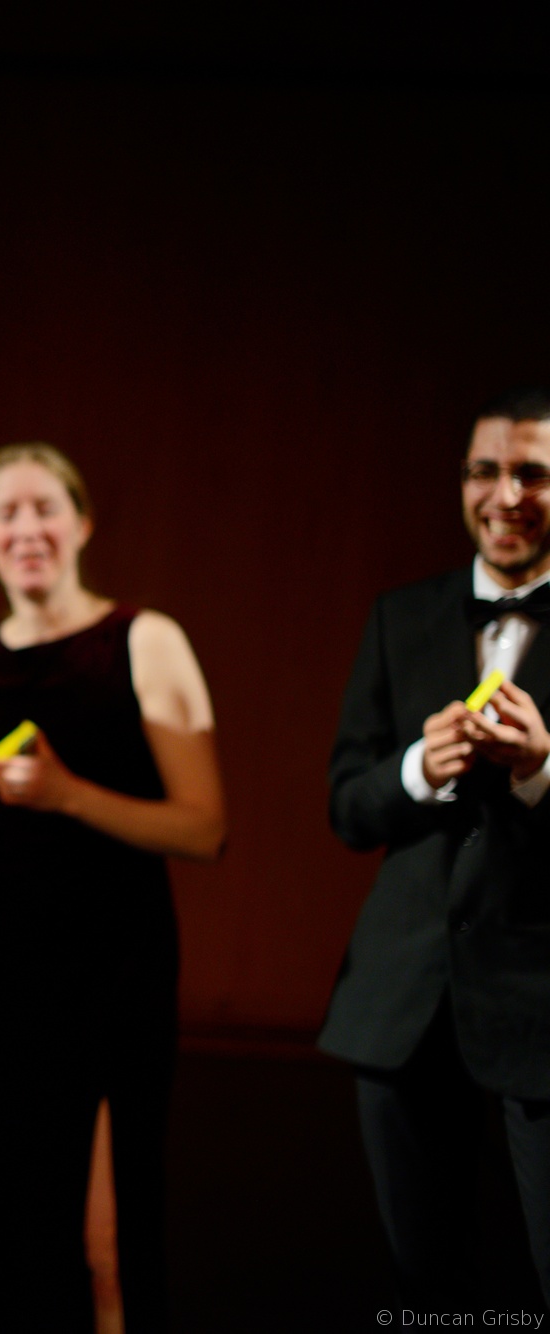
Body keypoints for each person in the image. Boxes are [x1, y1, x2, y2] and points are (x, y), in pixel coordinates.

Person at [0, 442, 224, 1334]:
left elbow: (205, 828)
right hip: (4, 967)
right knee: (12, 1223)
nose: (26, 528)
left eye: (44, 507)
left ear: (81, 523)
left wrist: (67, 795)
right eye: (5, 513)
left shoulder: (143, 640)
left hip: (116, 964)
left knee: (106, 1236)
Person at [323, 388, 550, 1308]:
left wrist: (540, 771)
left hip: (542, 1008)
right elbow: (347, 807)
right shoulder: (402, 614)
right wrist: (418, 767)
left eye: (534, 473)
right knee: (428, 1292)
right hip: (406, 1003)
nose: (507, 495)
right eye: (485, 472)